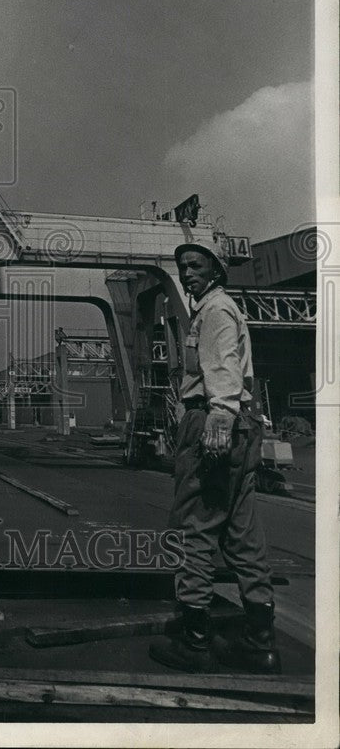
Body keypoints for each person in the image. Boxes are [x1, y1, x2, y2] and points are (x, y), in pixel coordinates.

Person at [149, 240, 280, 674]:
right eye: (182, 267)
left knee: (194, 529)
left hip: (214, 420)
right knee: (241, 533)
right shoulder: (217, 307)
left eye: (196, 265)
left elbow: (222, 365)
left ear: (217, 270)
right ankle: (260, 641)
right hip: (241, 425)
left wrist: (218, 418)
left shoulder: (216, 310)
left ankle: (196, 640)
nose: (187, 273)